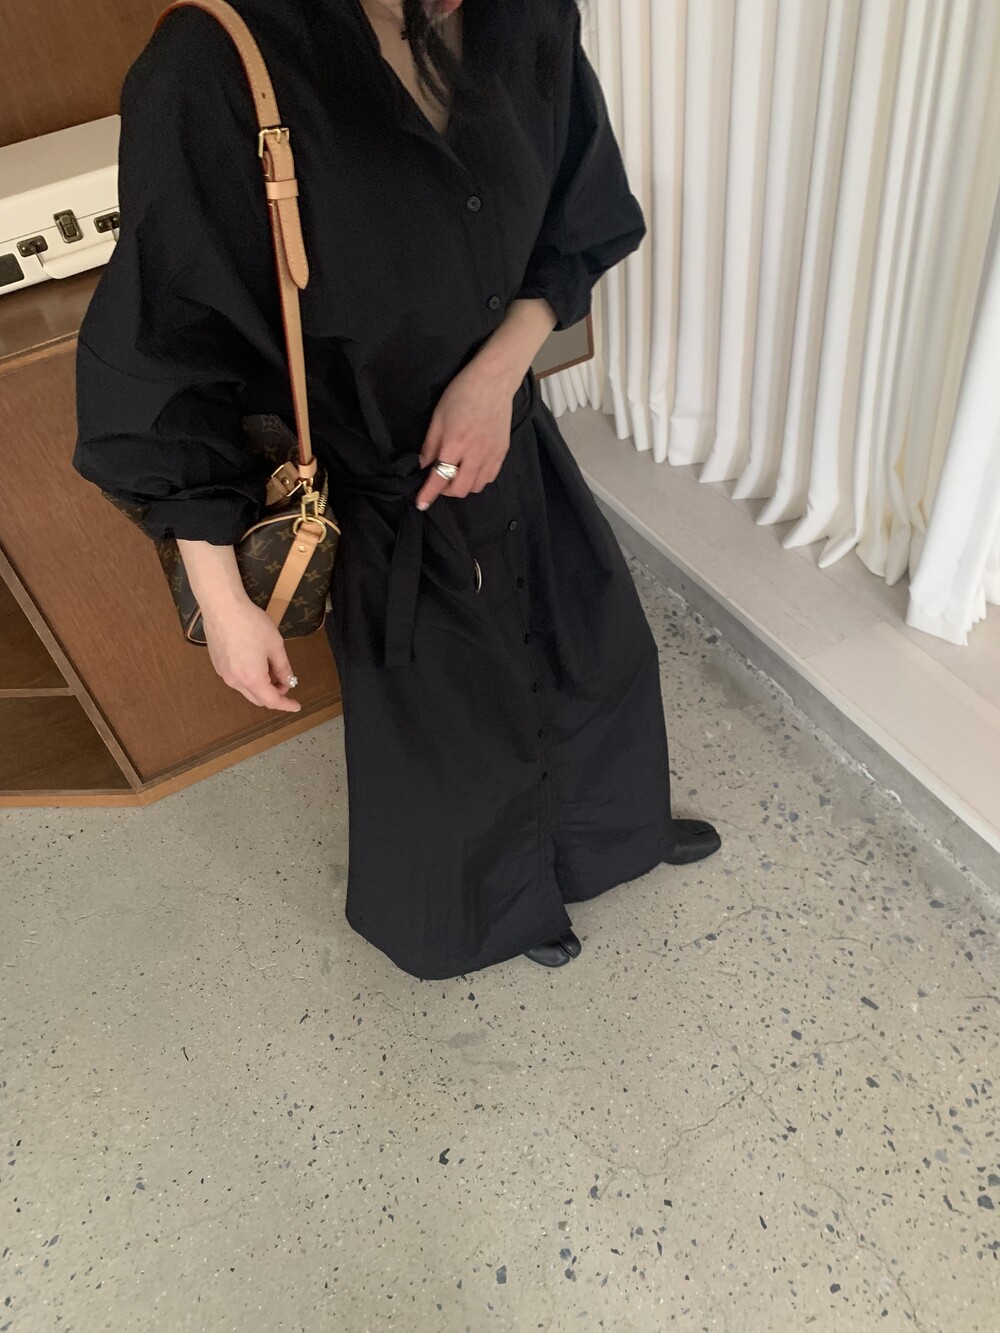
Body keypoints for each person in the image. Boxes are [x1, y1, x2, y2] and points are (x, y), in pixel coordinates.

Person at [73, 0, 721, 981]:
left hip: (509, 433)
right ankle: (497, 907)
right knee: (448, 722)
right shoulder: (212, 65)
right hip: (377, 480)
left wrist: (494, 380)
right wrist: (222, 599)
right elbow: (167, 355)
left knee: (594, 647)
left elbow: (574, 213)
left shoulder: (525, 14)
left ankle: (606, 837)